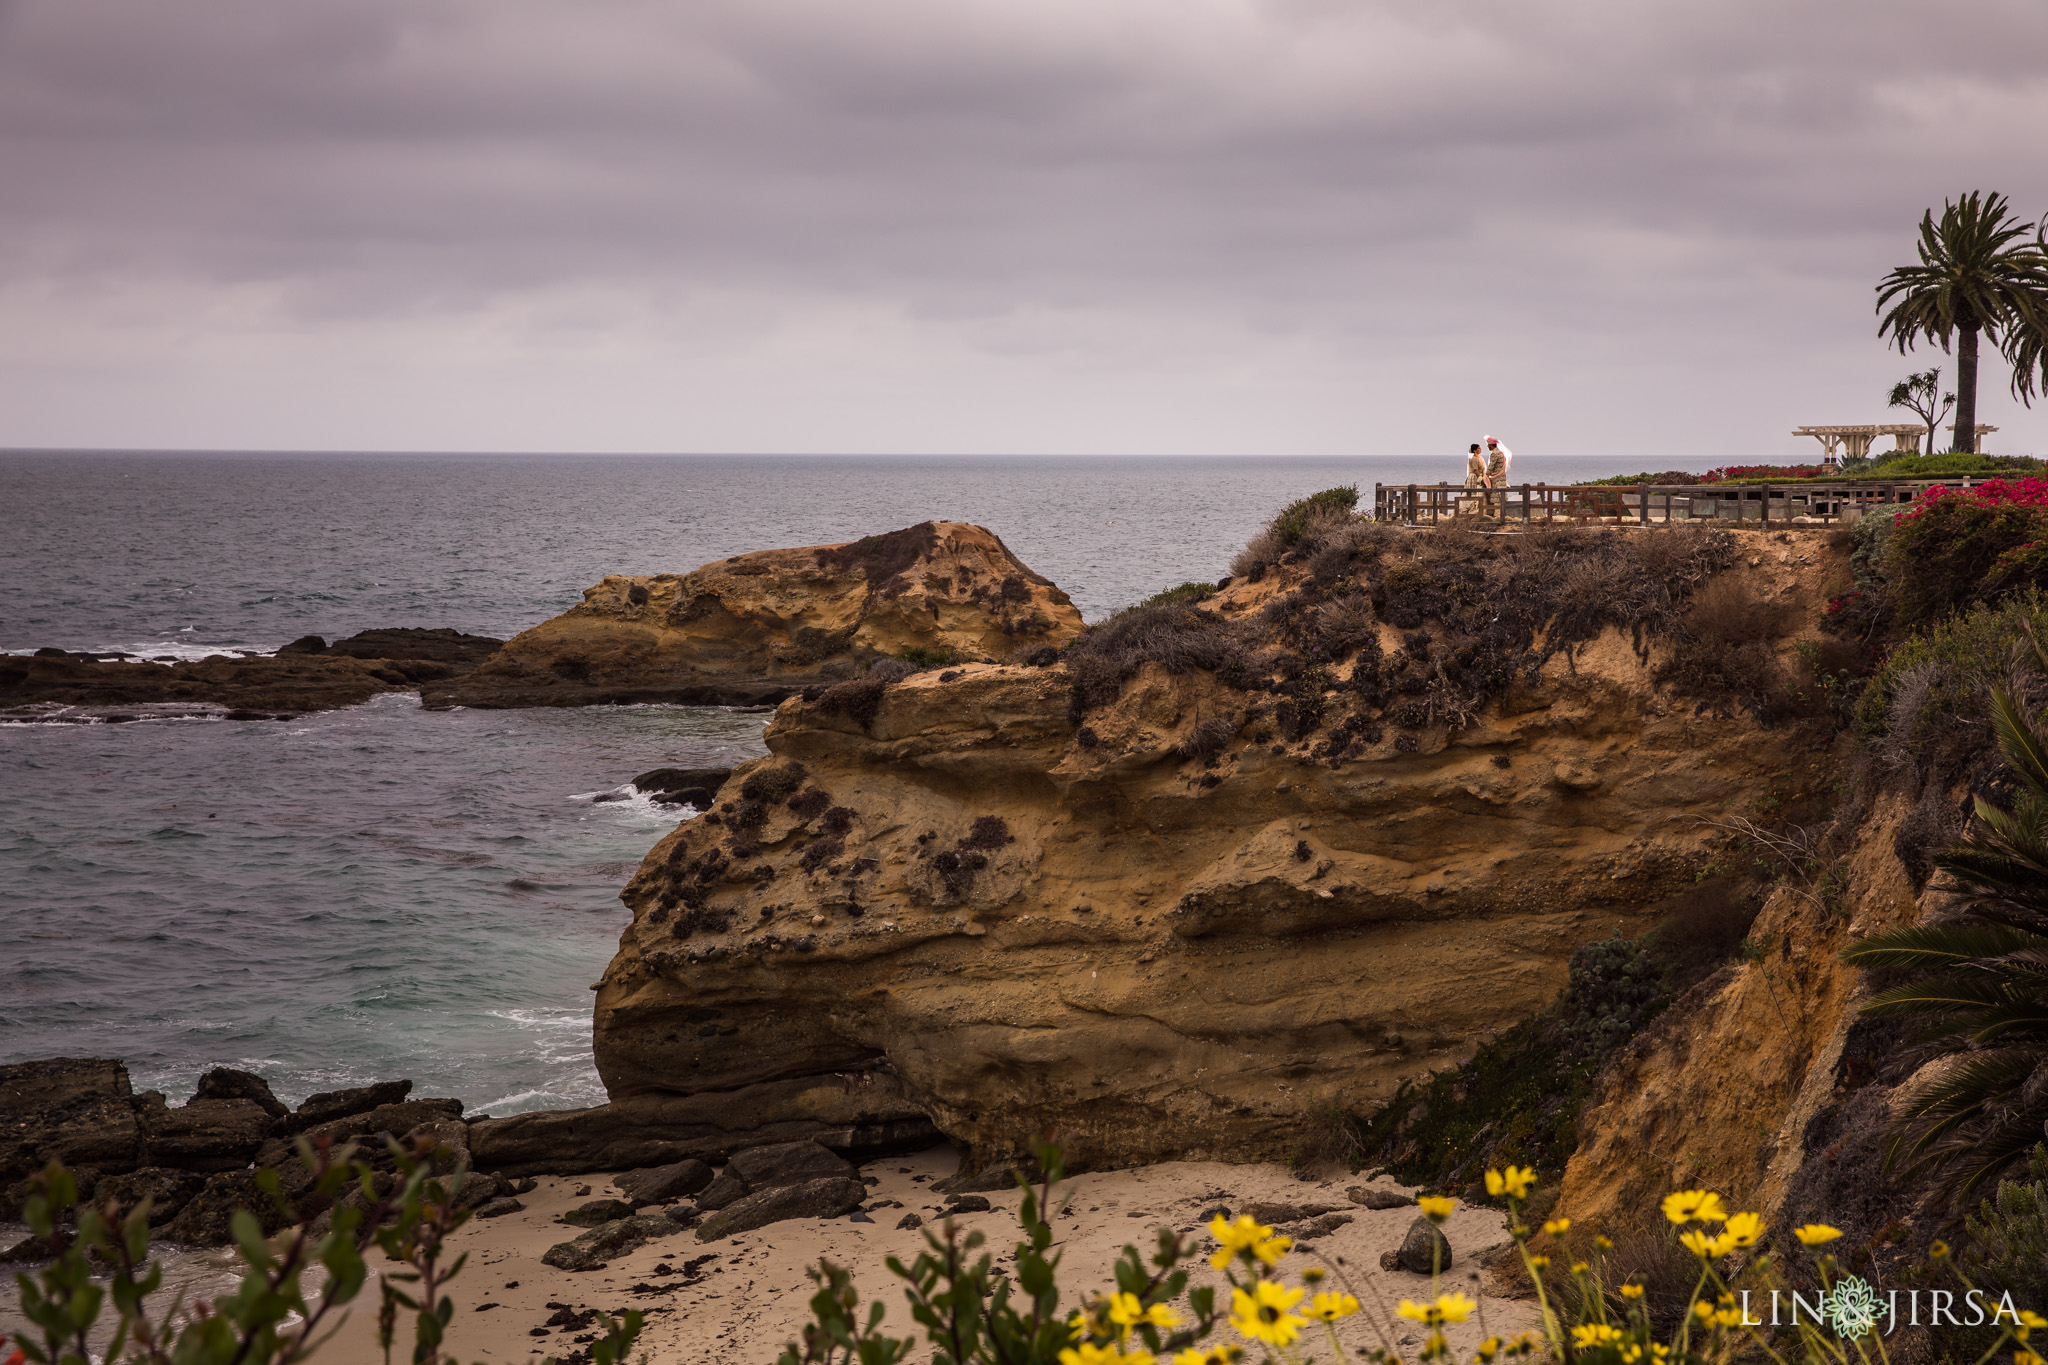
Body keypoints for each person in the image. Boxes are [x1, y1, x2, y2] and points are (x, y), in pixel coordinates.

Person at [1483, 435, 1513, 518]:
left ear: (1491, 445)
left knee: (1497, 498)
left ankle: (1497, 516)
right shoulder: (1501, 454)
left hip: (1497, 480)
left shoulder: (1494, 454)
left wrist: (1485, 476)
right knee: (1501, 497)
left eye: (1488, 445)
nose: (1487, 446)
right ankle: (1502, 515)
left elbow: (1491, 467)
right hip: (1502, 478)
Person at [1464, 443, 1487, 513]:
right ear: (1474, 450)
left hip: (1479, 475)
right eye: (1479, 448)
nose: (1480, 449)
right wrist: (1480, 478)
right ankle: (1473, 509)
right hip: (1474, 476)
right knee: (1474, 493)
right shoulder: (1474, 459)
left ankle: (1480, 509)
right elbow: (1475, 469)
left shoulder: (1480, 458)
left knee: (1480, 493)